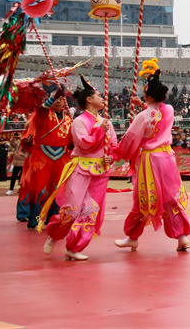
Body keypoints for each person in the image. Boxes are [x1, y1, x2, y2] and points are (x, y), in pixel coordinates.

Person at [40, 77, 118, 260]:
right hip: (81, 169)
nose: (102, 98)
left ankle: (73, 248)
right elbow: (84, 144)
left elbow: (114, 144)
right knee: (72, 210)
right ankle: (55, 234)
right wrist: (100, 130)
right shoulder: (79, 122)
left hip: (99, 172)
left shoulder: (106, 122)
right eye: (99, 95)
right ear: (89, 100)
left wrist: (111, 156)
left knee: (90, 210)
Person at [115, 69, 190, 252]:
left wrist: (118, 152)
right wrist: (144, 104)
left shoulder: (142, 117)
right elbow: (157, 114)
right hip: (167, 158)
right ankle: (181, 236)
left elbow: (130, 139)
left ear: (148, 96)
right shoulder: (170, 110)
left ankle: (132, 236)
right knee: (170, 198)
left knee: (142, 198)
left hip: (150, 161)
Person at [17, 90, 73, 228]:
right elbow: (41, 110)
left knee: (57, 189)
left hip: (61, 157)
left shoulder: (68, 119)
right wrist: (52, 98)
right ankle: (36, 219)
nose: (58, 101)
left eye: (61, 99)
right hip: (42, 156)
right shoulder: (42, 114)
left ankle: (53, 217)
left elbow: (71, 139)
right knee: (40, 188)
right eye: (55, 99)